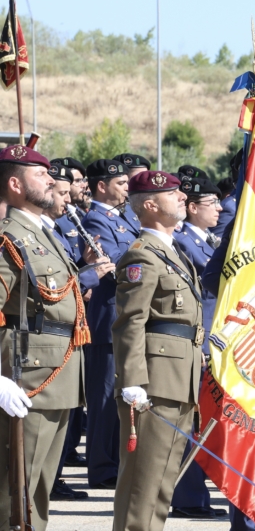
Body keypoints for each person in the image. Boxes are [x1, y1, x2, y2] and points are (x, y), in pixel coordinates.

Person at [0, 145, 87, 531]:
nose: (54, 180)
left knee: (36, 492)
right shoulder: (8, 236)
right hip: (26, 376)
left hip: (56, 373)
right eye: (41, 173)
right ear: (15, 183)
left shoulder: (41, 234)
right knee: (13, 490)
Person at [108, 170, 199, 531]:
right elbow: (131, 323)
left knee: (163, 481)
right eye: (172, 194)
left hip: (181, 377)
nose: (182, 199)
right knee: (142, 480)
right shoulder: (142, 255)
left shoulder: (170, 252)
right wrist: (132, 381)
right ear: (149, 204)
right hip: (155, 381)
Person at [44, 164, 111, 502]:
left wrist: (85, 264)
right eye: (60, 192)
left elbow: (69, 273)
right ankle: (48, 479)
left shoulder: (58, 229)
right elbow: (52, 286)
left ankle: (53, 477)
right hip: (48, 335)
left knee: (68, 412)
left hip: (70, 329)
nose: (67, 199)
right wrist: (89, 275)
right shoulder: (40, 232)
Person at [170, 176, 227, 520]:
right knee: (194, 420)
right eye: (212, 204)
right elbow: (210, 278)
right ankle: (189, 497)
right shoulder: (184, 242)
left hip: (215, 336)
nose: (220, 208)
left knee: (205, 419)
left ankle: (197, 493)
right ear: (192, 208)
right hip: (200, 338)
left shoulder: (207, 239)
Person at [82, 159, 140, 489]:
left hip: (123, 317)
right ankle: (101, 467)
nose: (126, 188)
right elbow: (113, 261)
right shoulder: (95, 218)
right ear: (101, 186)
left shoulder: (121, 218)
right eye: (120, 183)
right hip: (107, 319)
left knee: (119, 396)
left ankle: (115, 462)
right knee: (103, 399)